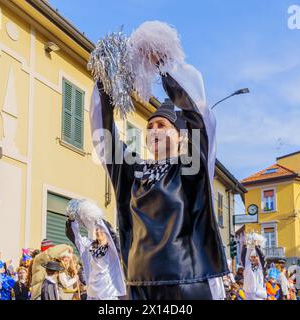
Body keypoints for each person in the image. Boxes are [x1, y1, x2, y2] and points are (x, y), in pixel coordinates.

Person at [90, 21, 228, 300]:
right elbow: (103, 136)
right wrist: (108, 82)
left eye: (162, 126)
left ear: (180, 137)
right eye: (149, 127)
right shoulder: (133, 170)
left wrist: (162, 62)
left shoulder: (192, 167)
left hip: (186, 282)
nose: (153, 131)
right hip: (141, 282)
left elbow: (199, 114)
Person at [65, 199, 126, 300]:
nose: (98, 232)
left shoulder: (112, 251)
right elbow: (76, 237)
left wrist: (94, 215)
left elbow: (104, 227)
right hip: (92, 294)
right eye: (96, 230)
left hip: (108, 294)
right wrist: (72, 219)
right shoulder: (89, 247)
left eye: (101, 230)